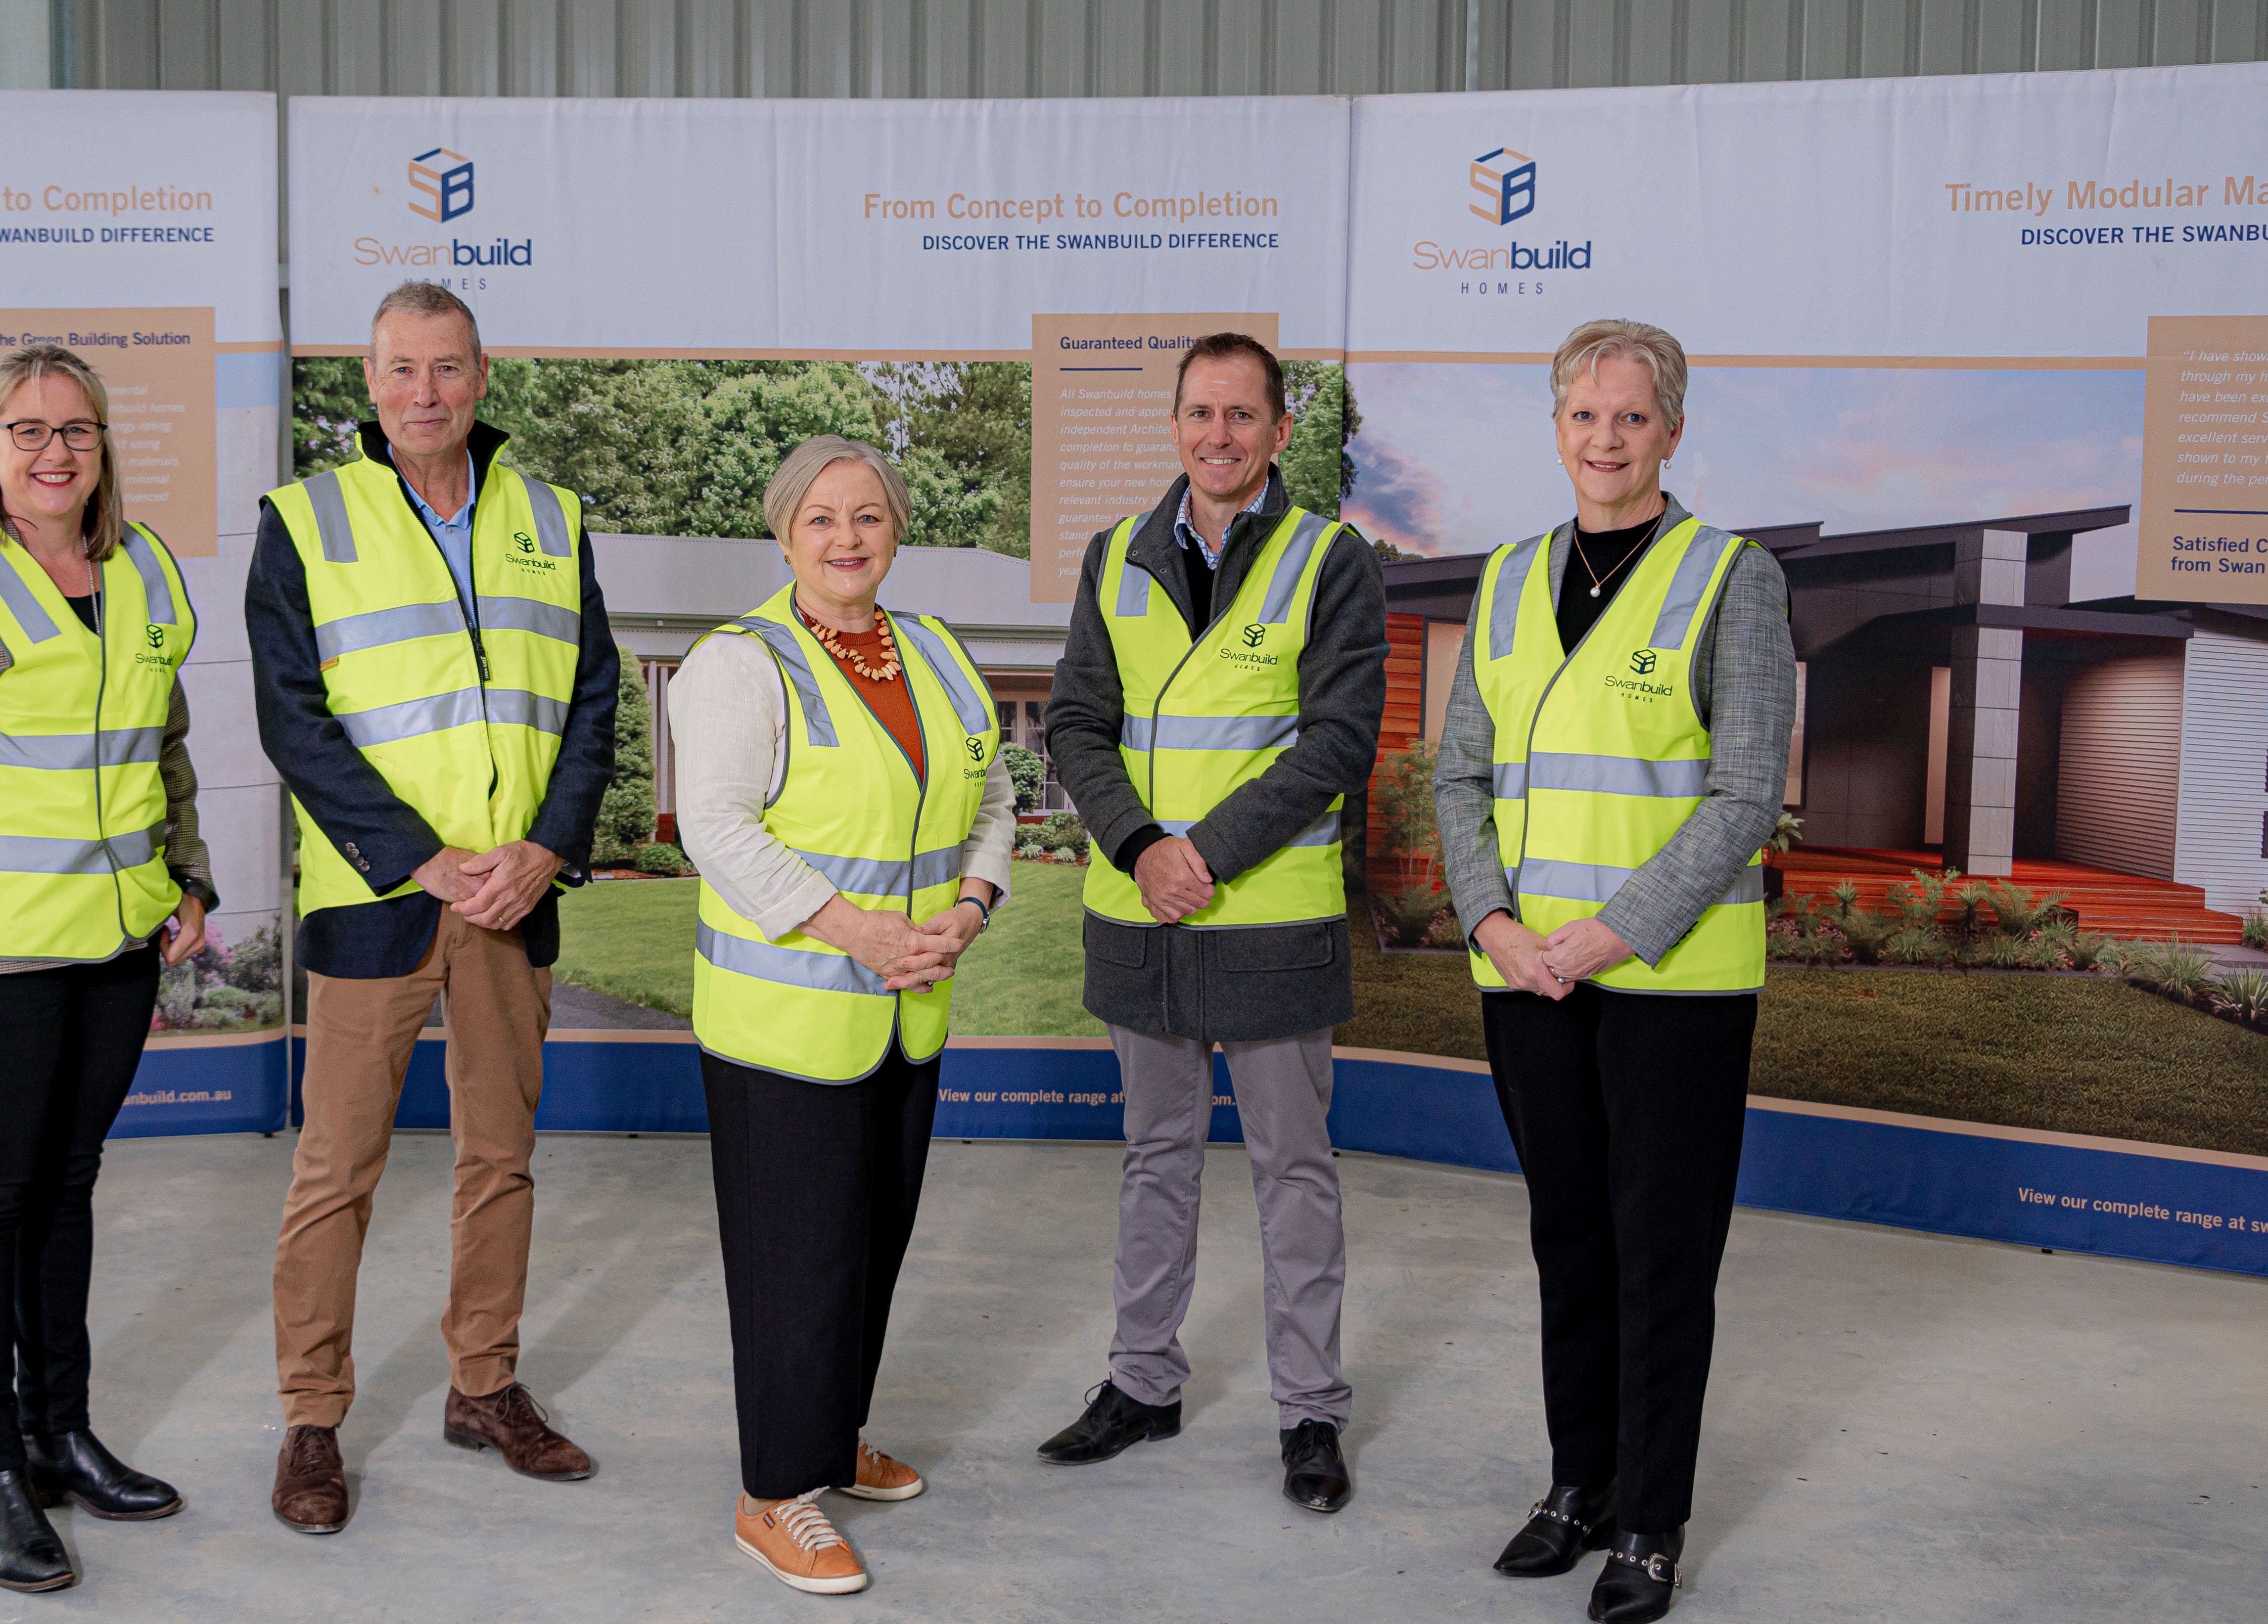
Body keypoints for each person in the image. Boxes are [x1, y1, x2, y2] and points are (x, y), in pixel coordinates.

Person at [1433, 318, 1794, 1624]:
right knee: (1567, 1242)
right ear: (1557, 428)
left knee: (1660, 1259)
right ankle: (1576, 1485)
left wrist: (1612, 931)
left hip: (1671, 990)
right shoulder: (1509, 577)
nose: (1605, 439)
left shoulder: (1730, 578)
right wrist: (1492, 926)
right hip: (1528, 981)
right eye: (1584, 417)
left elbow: (1747, 790)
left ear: (1673, 433)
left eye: (1631, 419)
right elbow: (1460, 774)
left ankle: (1650, 1521)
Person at [247, 282, 620, 1535]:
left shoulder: (553, 516)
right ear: (369, 382)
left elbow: (594, 705)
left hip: (513, 897)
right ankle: (312, 1416)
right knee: (335, 1169)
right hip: (380, 901)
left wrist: (550, 846)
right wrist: (423, 858)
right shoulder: (305, 521)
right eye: (402, 370)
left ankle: (485, 1385)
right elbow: (294, 720)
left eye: (448, 369)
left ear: (481, 376)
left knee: (499, 1161)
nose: (426, 393)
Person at [0, 343, 214, 1594]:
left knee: (66, 1189)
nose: (54, 451)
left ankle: (60, 1435)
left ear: (103, 443)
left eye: (75, 430)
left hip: (118, 944)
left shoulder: (143, 567)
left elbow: (163, 737)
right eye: (26, 431)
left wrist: (189, 872)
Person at [1037, 332, 1390, 1515]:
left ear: (1281, 432)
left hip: (1268, 920)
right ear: (1175, 424)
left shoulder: (1331, 560)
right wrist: (1144, 848)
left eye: (1244, 415)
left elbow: (1338, 743)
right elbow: (1077, 724)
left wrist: (1206, 855)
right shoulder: (1114, 555)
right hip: (1144, 912)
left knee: (1293, 1169)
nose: (1219, 435)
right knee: (1155, 1159)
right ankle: (1143, 1383)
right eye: (1200, 413)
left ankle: (1312, 1414)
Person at [667, 436, 1014, 1596]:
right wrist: (857, 929)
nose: (848, 537)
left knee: (868, 1247)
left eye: (869, 515)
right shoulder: (741, 661)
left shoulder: (933, 652)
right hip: (791, 1026)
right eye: (822, 519)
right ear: (784, 533)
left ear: (897, 529)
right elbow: (716, 825)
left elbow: (993, 791)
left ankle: (829, 1435)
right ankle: (774, 1491)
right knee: (795, 1261)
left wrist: (972, 902)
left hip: (909, 1012)